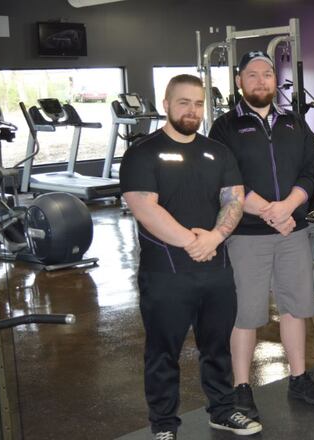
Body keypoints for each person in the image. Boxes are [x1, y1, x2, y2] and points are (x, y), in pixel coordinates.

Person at [120, 74, 262, 439]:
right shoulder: (143, 152)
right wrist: (192, 241)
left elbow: (234, 198)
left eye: (198, 103)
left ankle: (222, 410)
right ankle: (164, 424)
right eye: (183, 102)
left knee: (217, 347)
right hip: (167, 272)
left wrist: (214, 236)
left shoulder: (217, 151)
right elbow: (144, 207)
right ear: (165, 104)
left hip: (216, 267)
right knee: (163, 352)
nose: (192, 110)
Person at [208, 51, 314, 421]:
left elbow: (311, 171)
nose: (261, 81)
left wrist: (289, 206)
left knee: (296, 307)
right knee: (246, 313)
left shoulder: (294, 123)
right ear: (239, 81)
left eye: (267, 75)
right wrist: (268, 211)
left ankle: (298, 377)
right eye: (252, 75)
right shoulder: (225, 127)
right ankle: (242, 387)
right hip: (246, 234)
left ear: (275, 81)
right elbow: (225, 180)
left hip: (292, 230)